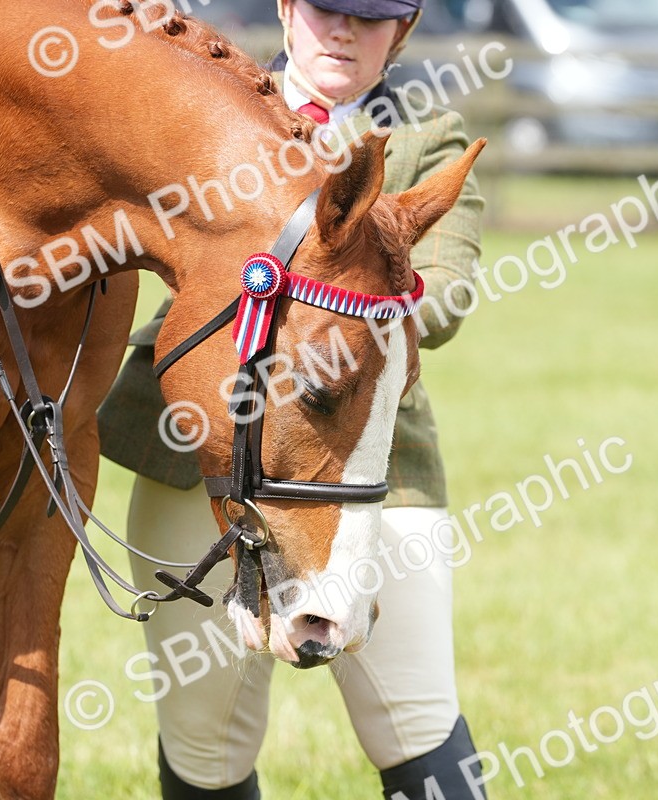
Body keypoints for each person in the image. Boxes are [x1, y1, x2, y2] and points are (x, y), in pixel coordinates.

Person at [98, 1, 486, 797]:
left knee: (415, 719)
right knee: (206, 744)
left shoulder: (424, 143)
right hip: (196, 461)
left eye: (370, 19)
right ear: (283, 10)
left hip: (367, 475)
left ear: (402, 34)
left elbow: (444, 296)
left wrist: (345, 303)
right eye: (324, 9)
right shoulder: (206, 120)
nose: (343, 30)